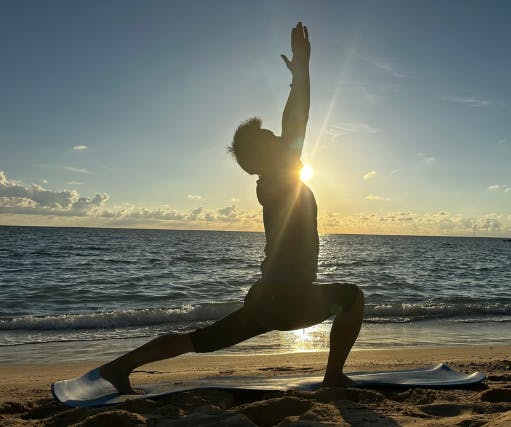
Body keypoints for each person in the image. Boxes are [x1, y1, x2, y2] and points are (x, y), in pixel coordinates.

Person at [99, 22, 364, 394]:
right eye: (268, 137)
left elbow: (292, 128)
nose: (277, 137)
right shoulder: (277, 181)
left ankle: (118, 367)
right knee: (353, 297)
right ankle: (333, 377)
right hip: (287, 296)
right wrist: (301, 72)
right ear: (264, 156)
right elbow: (297, 120)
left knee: (200, 340)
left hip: (269, 295)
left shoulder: (273, 182)